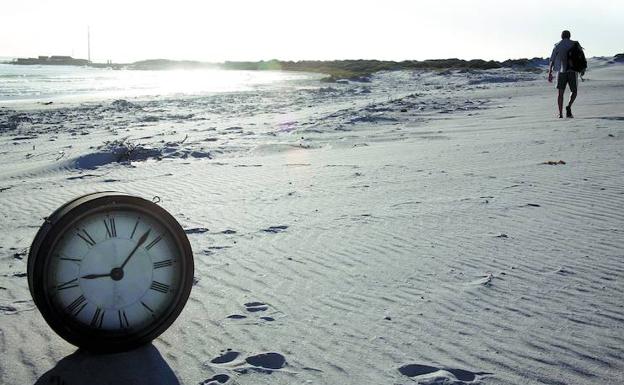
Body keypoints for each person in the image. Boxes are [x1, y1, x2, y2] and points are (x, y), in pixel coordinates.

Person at [548, 30, 580, 118]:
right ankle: (569, 106)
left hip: (561, 71)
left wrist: (550, 73)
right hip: (572, 71)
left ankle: (560, 114)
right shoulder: (575, 44)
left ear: (561, 36)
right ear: (569, 36)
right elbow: (581, 58)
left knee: (560, 93)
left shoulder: (558, 45)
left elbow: (552, 60)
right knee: (574, 91)